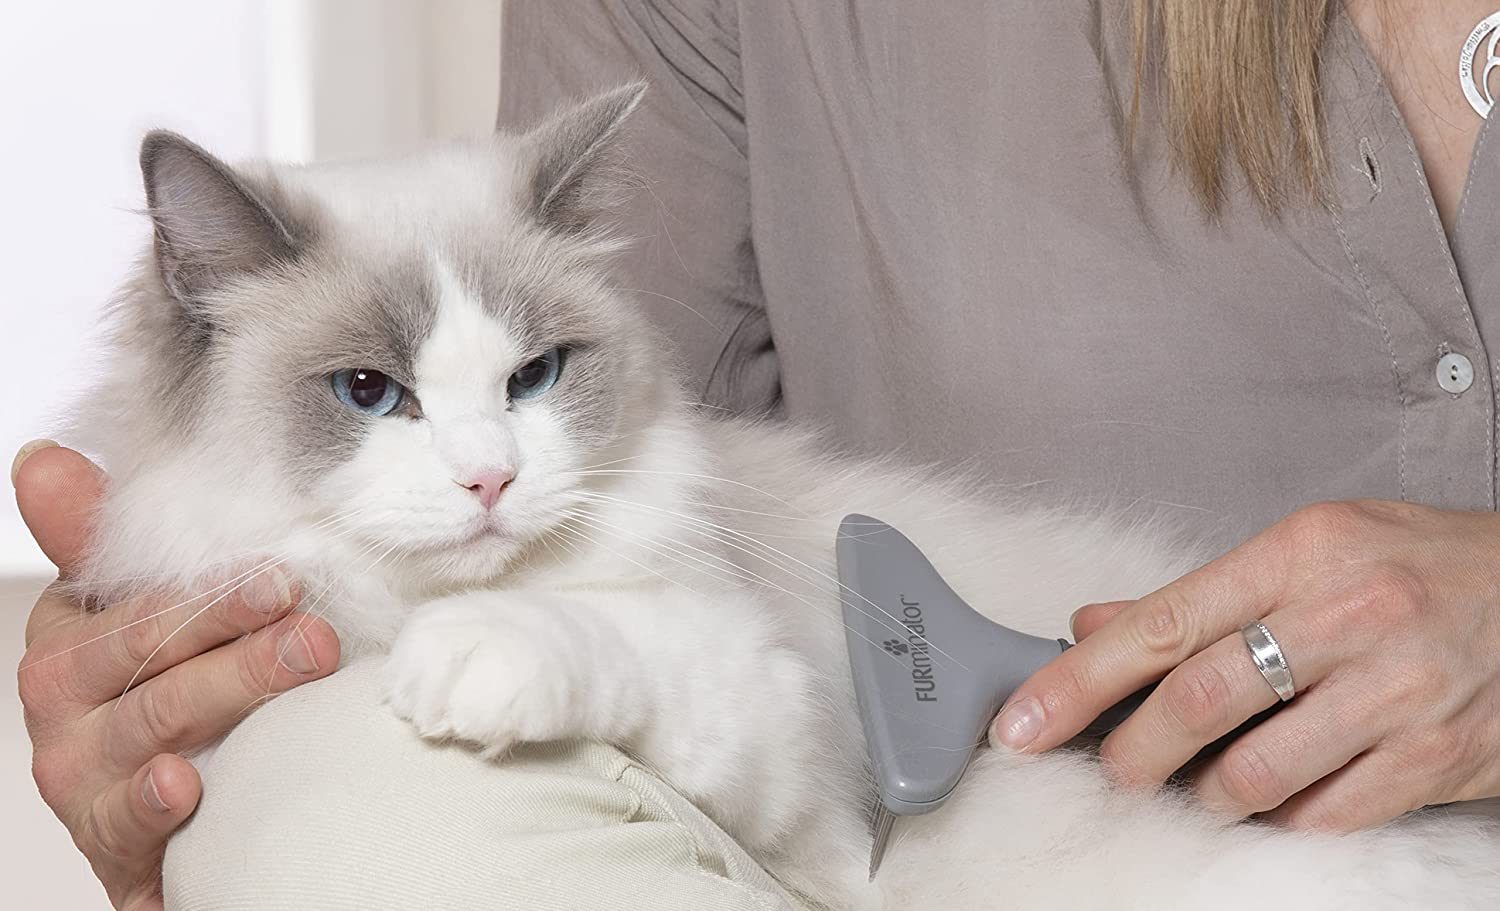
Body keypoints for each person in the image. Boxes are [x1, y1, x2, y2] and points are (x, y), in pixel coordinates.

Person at [18, 1, 1500, 907]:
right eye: (369, 392)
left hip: (1239, 851)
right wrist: (190, 735)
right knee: (338, 792)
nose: (477, 462)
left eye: (529, 382)